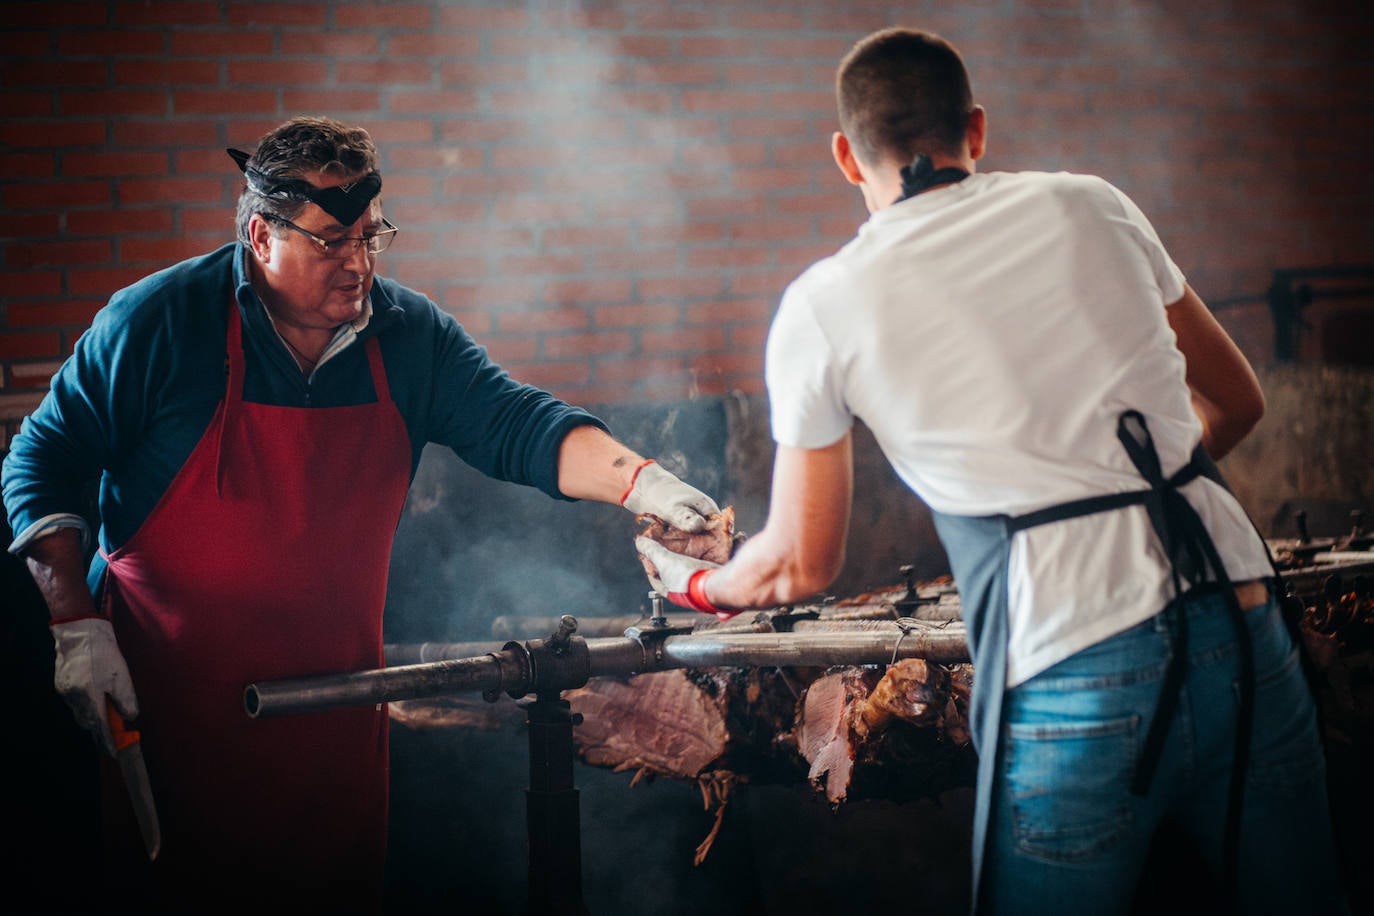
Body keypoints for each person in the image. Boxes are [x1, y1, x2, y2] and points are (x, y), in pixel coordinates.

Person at [635, 27, 1348, 915]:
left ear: (845, 159)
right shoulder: (1096, 204)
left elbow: (798, 566)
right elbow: (1239, 404)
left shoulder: (825, 303)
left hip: (1076, 666)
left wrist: (699, 585)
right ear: (976, 130)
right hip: (1242, 625)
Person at [1, 115, 718, 914]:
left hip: (334, 712)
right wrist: (74, 626)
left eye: (373, 239)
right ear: (260, 237)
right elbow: (40, 461)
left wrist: (646, 484)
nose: (360, 266)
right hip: (163, 704)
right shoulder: (160, 323)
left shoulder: (409, 336)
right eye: (331, 243)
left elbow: (518, 423)